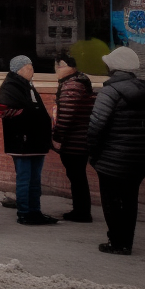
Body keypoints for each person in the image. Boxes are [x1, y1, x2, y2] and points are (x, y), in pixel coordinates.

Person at [87, 45, 145, 255]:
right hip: (140, 159)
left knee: (112, 201)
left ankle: (116, 242)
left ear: (113, 68)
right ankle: (126, 243)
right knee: (130, 199)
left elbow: (96, 125)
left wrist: (93, 152)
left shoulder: (110, 91)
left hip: (112, 158)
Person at [0, 55, 56, 225]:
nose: (32, 71)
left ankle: (35, 211)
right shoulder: (10, 86)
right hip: (22, 141)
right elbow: (2, 110)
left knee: (35, 179)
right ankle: (24, 212)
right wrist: (29, 116)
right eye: (29, 68)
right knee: (24, 178)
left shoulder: (27, 85)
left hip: (36, 141)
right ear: (19, 69)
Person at [52, 50, 96, 223]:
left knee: (77, 176)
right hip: (80, 138)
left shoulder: (72, 85)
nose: (56, 71)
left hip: (75, 140)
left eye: (57, 66)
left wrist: (58, 135)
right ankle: (81, 209)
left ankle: (82, 212)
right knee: (77, 176)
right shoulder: (80, 81)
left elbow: (67, 114)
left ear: (64, 65)